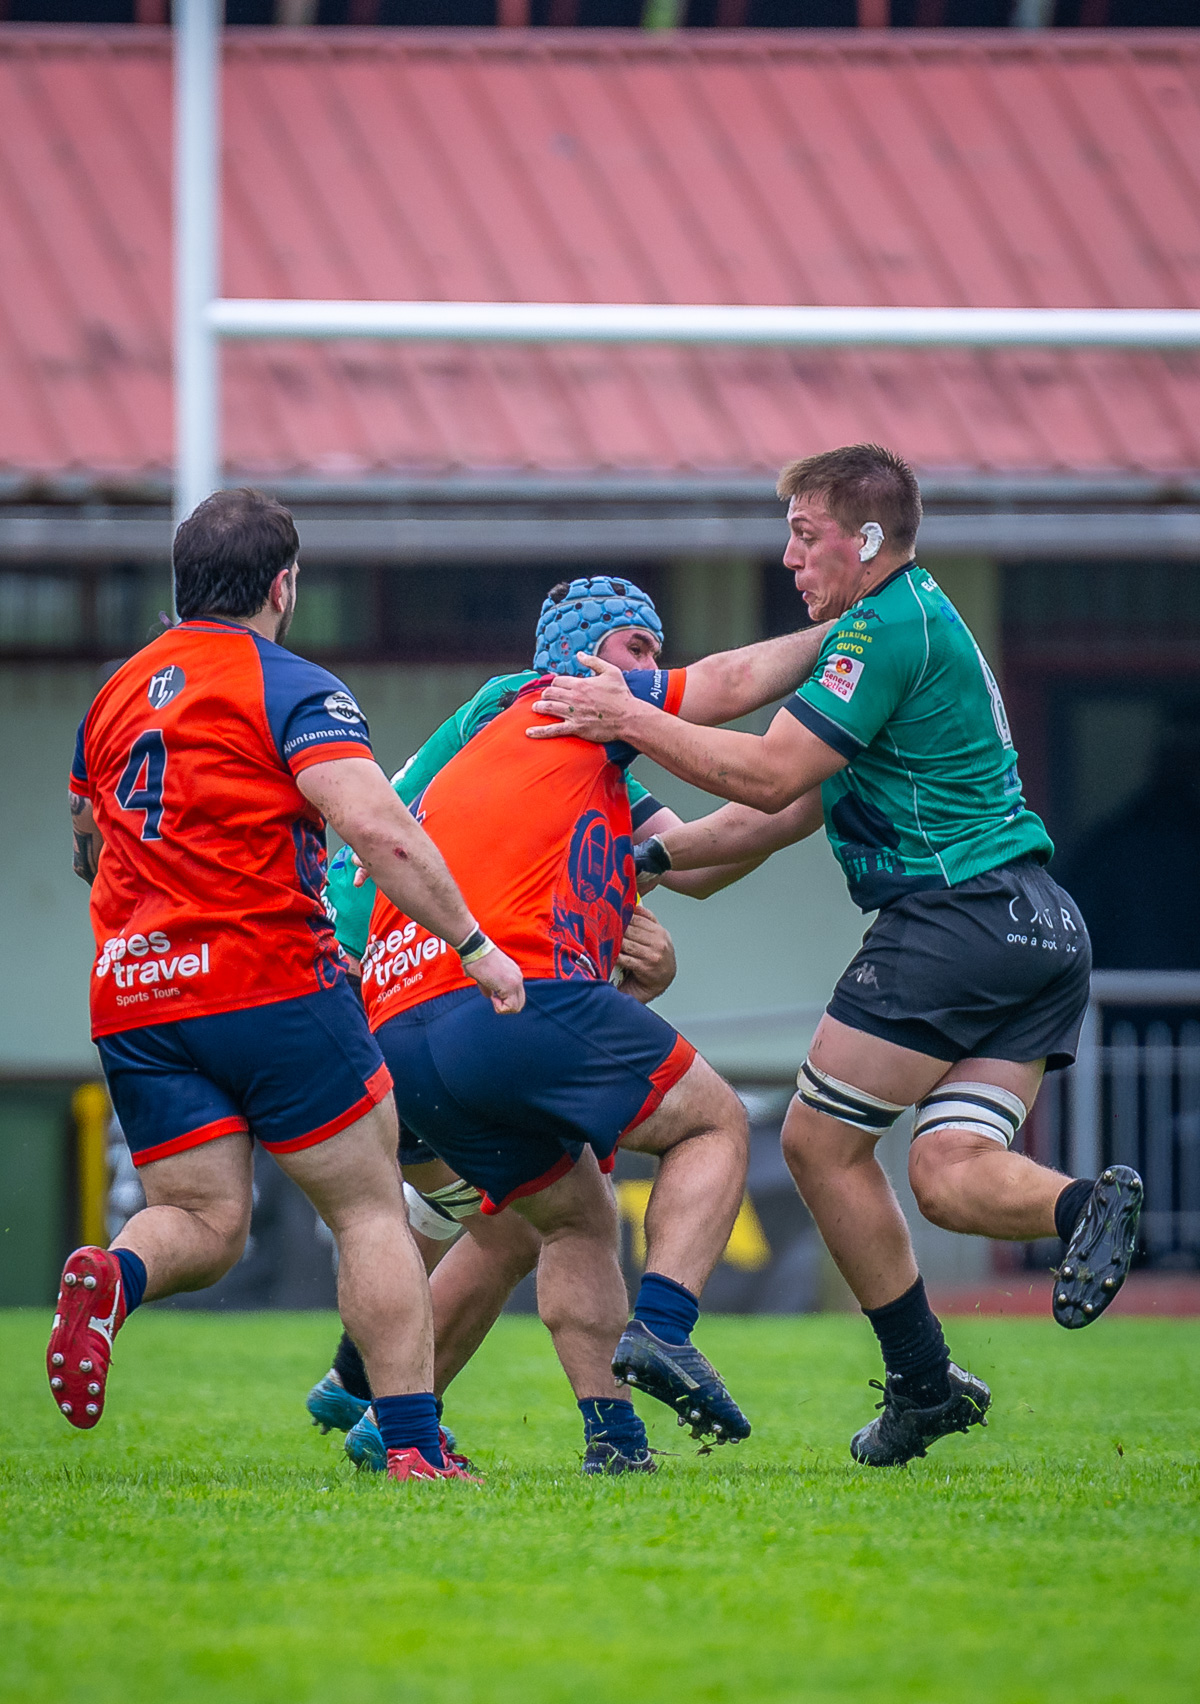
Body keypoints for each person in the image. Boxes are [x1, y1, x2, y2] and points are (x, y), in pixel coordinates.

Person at [530, 443, 1144, 1469]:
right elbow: (747, 802)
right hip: (1038, 931)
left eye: (804, 535)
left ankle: (918, 1382)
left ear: (866, 541)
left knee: (815, 1143)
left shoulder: (880, 630)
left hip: (951, 919)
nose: (788, 557)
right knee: (948, 1173)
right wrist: (628, 857)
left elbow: (769, 778)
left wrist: (627, 717)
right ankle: (1085, 1207)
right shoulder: (896, 626)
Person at [55, 487, 524, 1485]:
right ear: (283, 584)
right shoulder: (290, 684)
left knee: (205, 1223)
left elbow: (89, 846)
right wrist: (474, 943)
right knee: (367, 1213)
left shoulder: (110, 699)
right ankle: (410, 1443)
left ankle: (116, 1276)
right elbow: (376, 826)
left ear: (183, 588)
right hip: (268, 979)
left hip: (138, 993)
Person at [309, 577, 824, 1473]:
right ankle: (661, 1329)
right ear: (580, 655)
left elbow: (692, 856)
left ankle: (597, 1439)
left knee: (558, 1219)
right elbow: (733, 702)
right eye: (639, 649)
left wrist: (623, 916)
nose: (654, 670)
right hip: (496, 999)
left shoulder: (536, 752)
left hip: (398, 1027)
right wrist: (849, 684)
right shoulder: (550, 703)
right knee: (714, 1121)